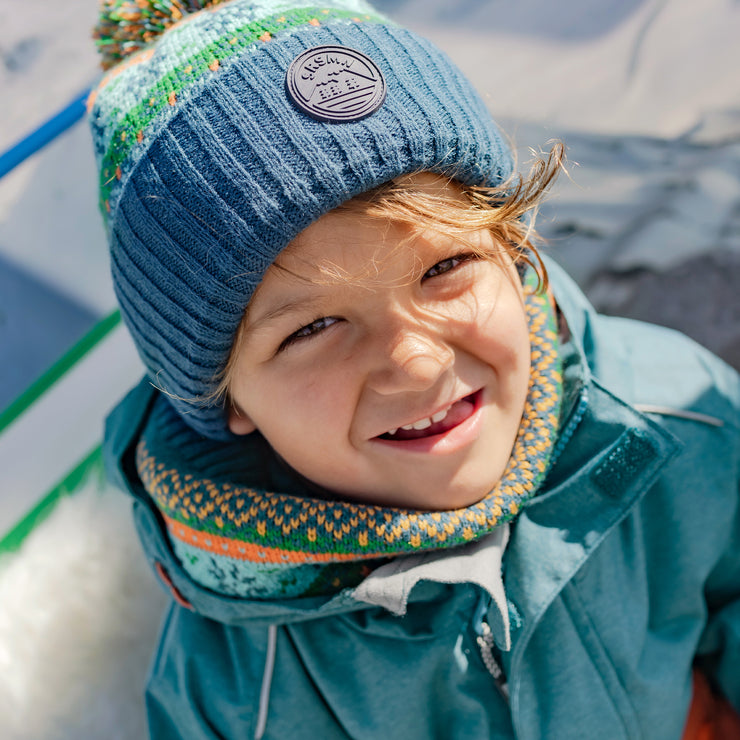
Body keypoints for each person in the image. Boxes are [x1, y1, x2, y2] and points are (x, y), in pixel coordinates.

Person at [89, 0, 740, 737]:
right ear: (227, 396)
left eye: (447, 265)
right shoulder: (241, 681)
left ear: (509, 247)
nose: (418, 362)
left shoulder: (676, 415)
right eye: (315, 326)